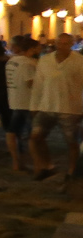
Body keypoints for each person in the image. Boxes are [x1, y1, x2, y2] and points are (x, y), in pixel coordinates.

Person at [30, 29, 83, 182]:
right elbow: (38, 85)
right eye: (60, 43)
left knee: (71, 142)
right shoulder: (45, 60)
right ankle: (47, 166)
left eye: (66, 44)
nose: (62, 46)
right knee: (36, 137)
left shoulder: (79, 61)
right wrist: (34, 105)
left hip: (70, 108)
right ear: (56, 44)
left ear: (71, 45)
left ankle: (71, 171)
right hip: (47, 105)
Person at [5, 34, 41, 172]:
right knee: (34, 135)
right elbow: (30, 82)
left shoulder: (11, 61)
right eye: (38, 48)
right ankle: (38, 164)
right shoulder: (29, 63)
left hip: (15, 100)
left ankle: (16, 162)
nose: (39, 50)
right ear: (31, 49)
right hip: (29, 102)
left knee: (12, 131)